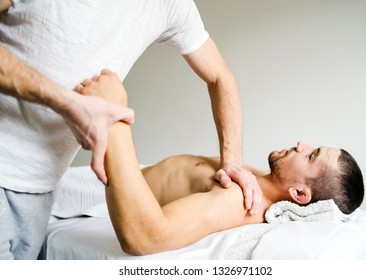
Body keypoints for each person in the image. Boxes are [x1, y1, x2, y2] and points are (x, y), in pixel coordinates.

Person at [0, 0, 260, 259]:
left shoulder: (172, 5)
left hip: (41, 190)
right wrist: (66, 102)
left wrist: (233, 163)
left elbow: (219, 77)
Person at [75, 70, 365, 255]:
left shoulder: (239, 199)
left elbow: (143, 238)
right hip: (109, 182)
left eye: (311, 155)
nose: (303, 144)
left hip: (106, 193)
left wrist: (113, 116)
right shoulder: (254, 180)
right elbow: (219, 76)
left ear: (300, 194)